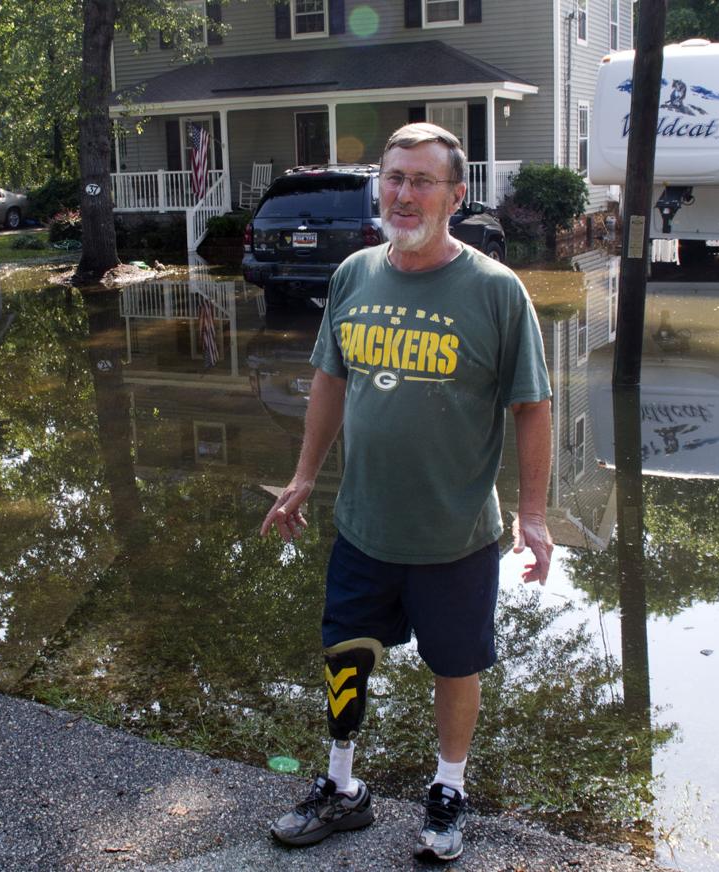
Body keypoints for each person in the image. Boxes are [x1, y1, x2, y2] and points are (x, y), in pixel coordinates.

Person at [259, 122, 553, 862]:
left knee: (456, 667)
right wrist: (302, 478)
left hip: (456, 536)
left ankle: (449, 789)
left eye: (423, 181)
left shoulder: (495, 291)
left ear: (456, 195)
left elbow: (533, 407)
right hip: (363, 526)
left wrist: (534, 515)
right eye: (394, 177)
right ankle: (341, 786)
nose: (404, 193)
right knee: (344, 654)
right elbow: (329, 380)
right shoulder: (354, 275)